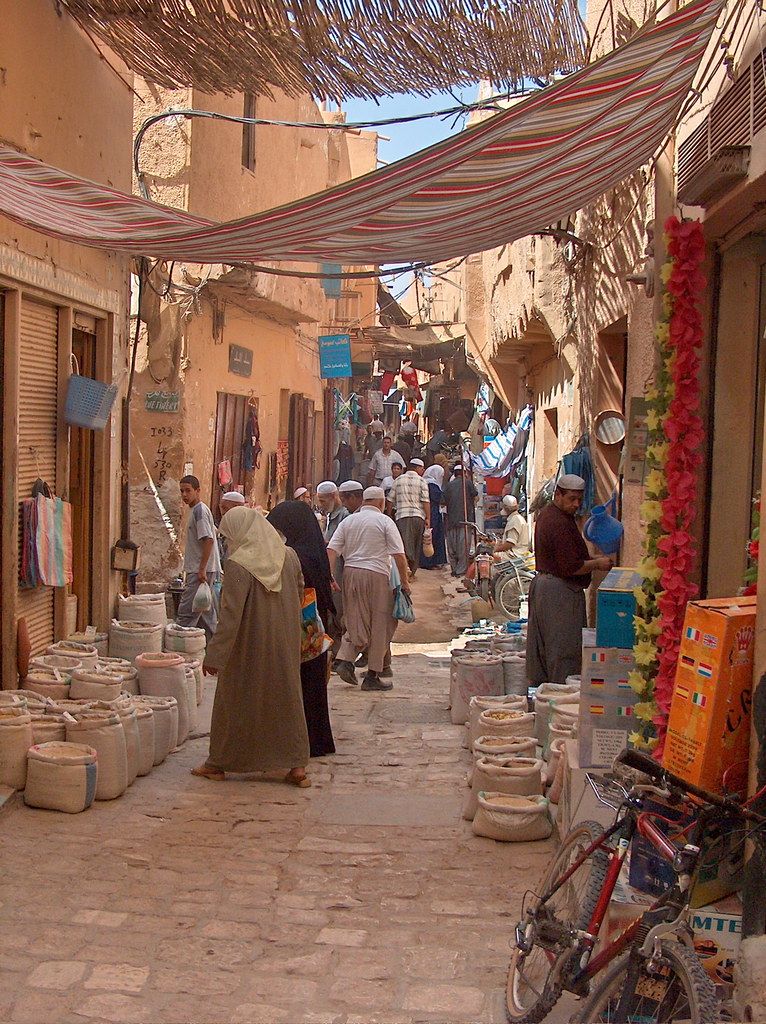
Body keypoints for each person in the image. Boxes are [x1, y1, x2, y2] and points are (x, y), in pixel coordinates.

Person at [193, 507, 311, 786]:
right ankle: (296, 766)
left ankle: (217, 763)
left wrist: (215, 655)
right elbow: (299, 594)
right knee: (286, 700)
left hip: (248, 647)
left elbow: (230, 616)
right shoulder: (289, 556)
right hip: (284, 643)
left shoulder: (238, 565)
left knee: (234, 703)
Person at [527, 474, 613, 685]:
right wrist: (597, 564)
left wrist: (592, 559)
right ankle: (558, 696)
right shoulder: (557, 522)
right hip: (559, 592)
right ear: (558, 495)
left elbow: (568, 558)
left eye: (579, 500)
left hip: (548, 587)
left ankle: (547, 696)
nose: (576, 504)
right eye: (571, 499)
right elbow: (570, 567)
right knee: (563, 649)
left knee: (548, 648)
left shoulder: (551, 515)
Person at [267, 501, 336, 758]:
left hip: (302, 628)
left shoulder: (297, 555)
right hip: (314, 627)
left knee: (302, 685)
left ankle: (303, 742)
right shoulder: (313, 550)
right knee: (312, 686)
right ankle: (316, 740)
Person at [328, 486, 410, 691]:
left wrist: (329, 577)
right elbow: (399, 555)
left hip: (350, 574)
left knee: (355, 618)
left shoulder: (349, 521)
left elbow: (331, 550)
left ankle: (345, 659)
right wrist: (405, 583)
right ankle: (373, 674)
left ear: (365, 501)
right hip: (377, 575)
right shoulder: (384, 521)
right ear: (382, 503)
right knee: (381, 623)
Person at [178, 475, 222, 641]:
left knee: (186, 613)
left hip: (201, 570)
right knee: (206, 614)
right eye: (182, 491)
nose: (184, 495)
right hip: (203, 568)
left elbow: (208, 540)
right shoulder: (196, 510)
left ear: (197, 491)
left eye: (188, 490)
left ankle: (179, 647)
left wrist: (201, 569)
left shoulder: (199, 511)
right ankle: (215, 650)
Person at [390, 459, 430, 575]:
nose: (422, 471)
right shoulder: (422, 481)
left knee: (403, 543)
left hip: (402, 517)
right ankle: (411, 571)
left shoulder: (398, 480)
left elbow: (390, 500)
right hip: (418, 517)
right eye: (421, 468)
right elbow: (426, 501)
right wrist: (428, 518)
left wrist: (389, 515)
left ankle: (404, 570)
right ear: (416, 468)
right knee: (416, 545)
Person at [442, 463, 477, 577]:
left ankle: (454, 568)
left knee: (452, 547)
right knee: (463, 547)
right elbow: (476, 497)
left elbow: (443, 503)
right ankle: (461, 570)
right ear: (464, 473)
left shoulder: (448, 486)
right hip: (465, 519)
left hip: (451, 520)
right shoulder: (468, 483)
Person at [419, 464, 447, 569]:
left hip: (431, 513)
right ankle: (429, 562)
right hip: (432, 514)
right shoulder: (432, 485)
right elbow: (439, 499)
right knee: (431, 538)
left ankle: (432, 561)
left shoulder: (426, 483)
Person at [495, 495, 530, 559]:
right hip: (518, 552)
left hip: (515, 555)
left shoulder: (514, 520)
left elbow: (510, 544)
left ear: (506, 508)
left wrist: (494, 550)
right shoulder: (517, 518)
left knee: (486, 557)